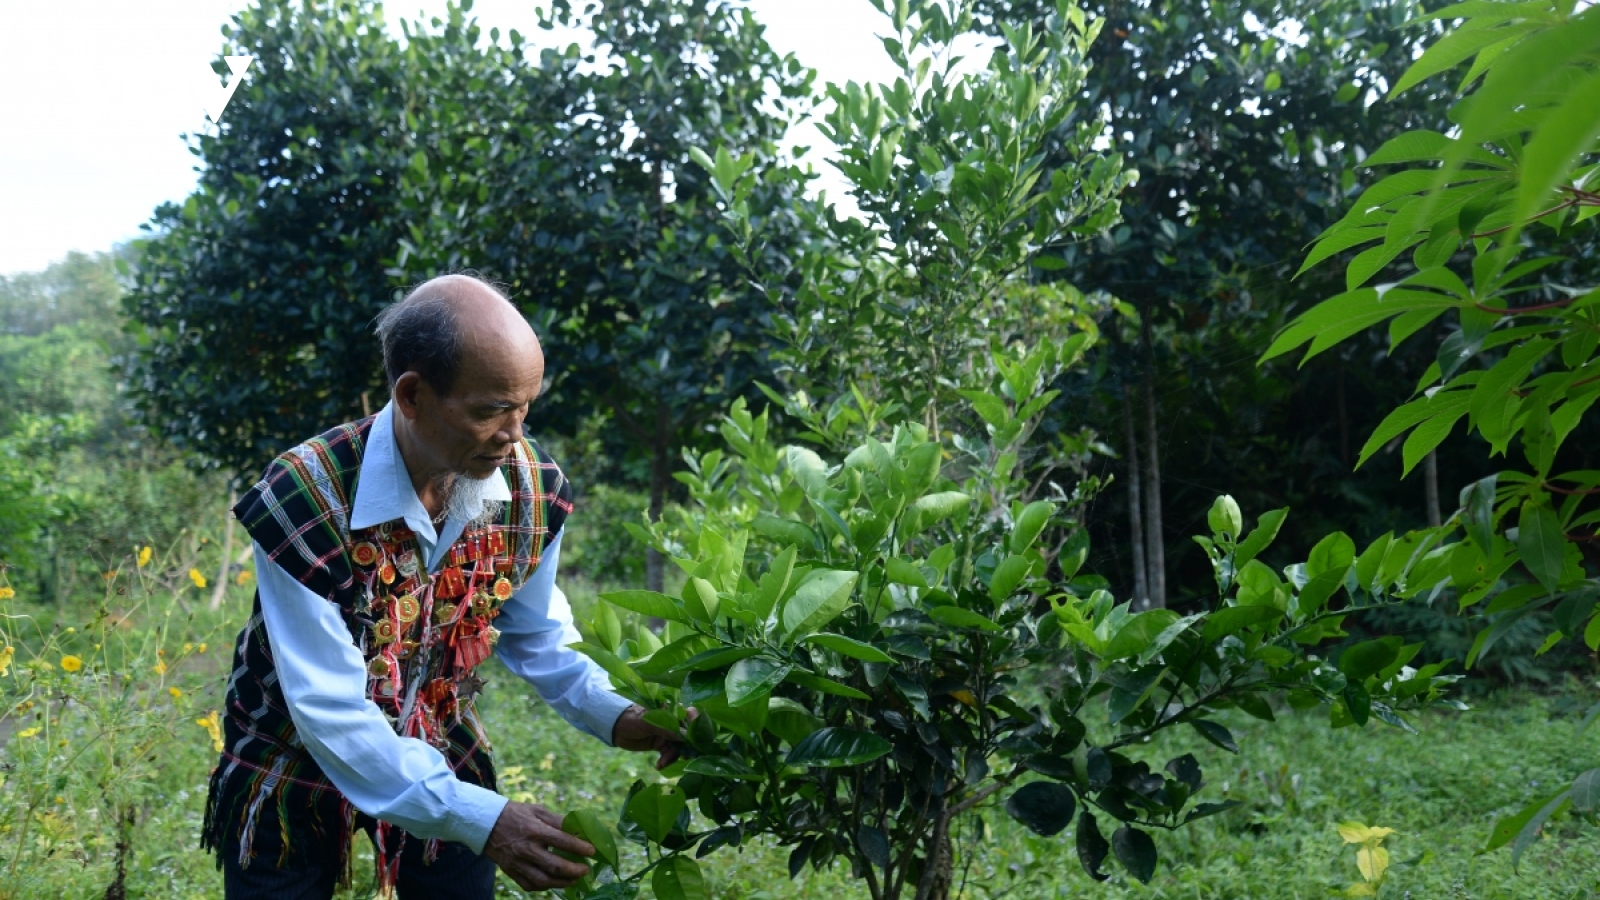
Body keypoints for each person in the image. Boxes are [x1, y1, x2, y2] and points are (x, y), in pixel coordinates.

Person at [201, 273, 682, 898]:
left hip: (438, 731)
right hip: (291, 750)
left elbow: (538, 637)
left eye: (525, 408)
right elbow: (328, 710)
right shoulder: (305, 496)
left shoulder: (530, 490)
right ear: (412, 394)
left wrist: (628, 716)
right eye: (490, 411)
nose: (514, 437)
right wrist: (484, 819)